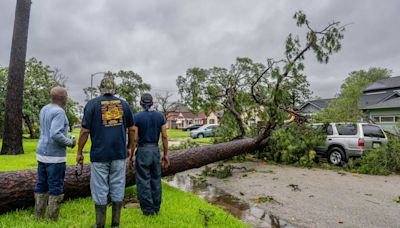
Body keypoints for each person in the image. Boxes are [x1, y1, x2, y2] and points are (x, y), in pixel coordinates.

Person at [76, 75, 135, 228]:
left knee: (100, 188)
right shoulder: (124, 104)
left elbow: (84, 132)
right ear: (114, 89)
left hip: (99, 155)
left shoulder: (92, 104)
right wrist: (130, 147)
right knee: (118, 186)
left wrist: (79, 152)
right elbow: (132, 129)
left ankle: (100, 225)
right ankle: (115, 224)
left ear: (100, 89)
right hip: (119, 155)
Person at [34, 87, 76, 221]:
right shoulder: (59, 112)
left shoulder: (44, 109)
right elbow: (55, 133)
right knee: (56, 185)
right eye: (67, 96)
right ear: (63, 98)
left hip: (41, 153)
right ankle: (52, 219)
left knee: (41, 183)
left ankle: (38, 215)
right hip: (55, 157)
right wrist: (70, 142)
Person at [130, 93, 170, 216]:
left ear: (141, 103)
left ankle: (148, 210)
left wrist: (131, 155)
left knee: (143, 181)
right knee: (156, 180)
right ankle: (156, 207)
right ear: (152, 103)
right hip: (155, 151)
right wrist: (166, 154)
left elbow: (135, 139)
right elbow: (164, 136)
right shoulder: (160, 116)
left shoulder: (137, 117)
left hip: (142, 151)